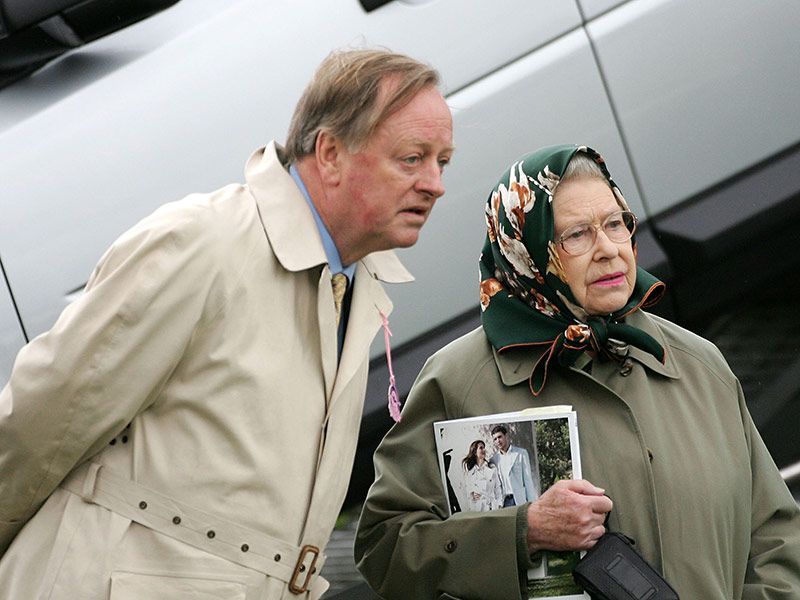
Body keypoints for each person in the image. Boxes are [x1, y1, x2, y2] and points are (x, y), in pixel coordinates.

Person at [0, 48, 454, 599]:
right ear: (330, 152)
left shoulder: (360, 282)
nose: (435, 184)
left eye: (442, 162)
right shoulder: (202, 242)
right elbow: (44, 421)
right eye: (412, 158)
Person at [355, 144, 800, 599]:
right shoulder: (458, 380)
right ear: (523, 252)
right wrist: (521, 532)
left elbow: (777, 537)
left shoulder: (697, 364)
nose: (609, 250)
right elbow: (384, 545)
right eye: (577, 235)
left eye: (615, 224)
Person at [488, 424, 538, 507]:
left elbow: (528, 479)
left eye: (500, 437)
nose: (498, 441)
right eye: (495, 439)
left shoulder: (521, 453)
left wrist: (532, 503)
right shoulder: (494, 459)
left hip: (519, 499)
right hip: (504, 501)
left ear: (506, 436)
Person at [462, 440, 502, 512]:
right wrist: (472, 495)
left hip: (492, 507)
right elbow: (467, 491)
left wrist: (499, 504)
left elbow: (498, 488)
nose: (484, 450)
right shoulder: (470, 472)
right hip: (477, 509)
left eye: (484, 448)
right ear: (474, 452)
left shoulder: (492, 468)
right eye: (481, 448)